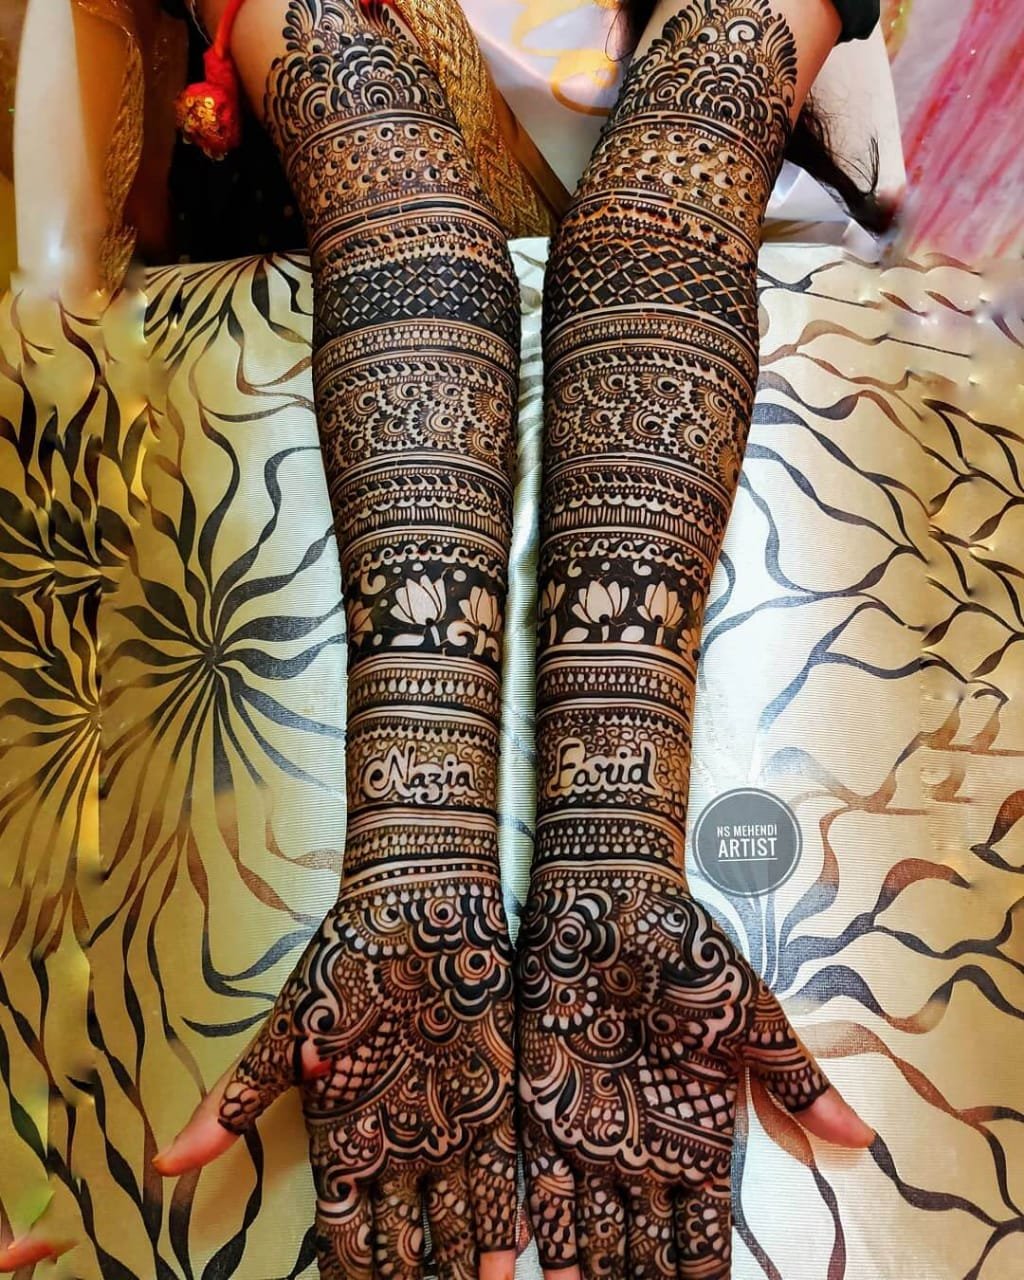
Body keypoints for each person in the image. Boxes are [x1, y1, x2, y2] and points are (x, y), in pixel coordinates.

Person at [0, 0, 883, 1276]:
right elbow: (394, 197)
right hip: (284, 294)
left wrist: (614, 838)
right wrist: (418, 836)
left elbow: (690, 145)